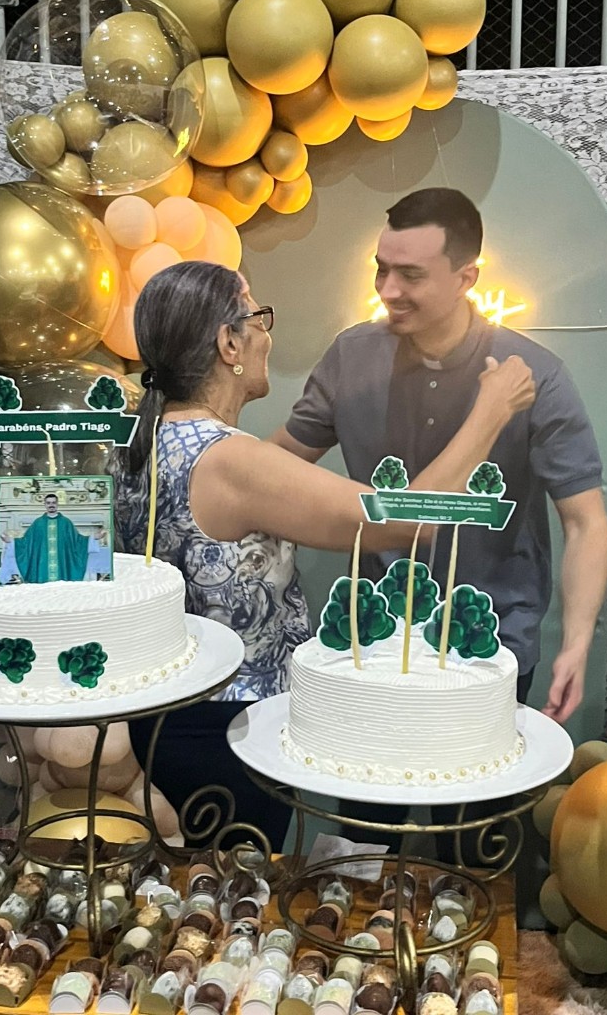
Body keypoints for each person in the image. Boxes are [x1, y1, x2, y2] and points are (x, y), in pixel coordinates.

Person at [113, 259, 536, 852]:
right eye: (258, 317)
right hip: (227, 730)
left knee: (200, 889)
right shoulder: (229, 459)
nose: (267, 334)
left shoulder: (143, 442)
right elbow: (403, 522)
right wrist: (491, 411)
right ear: (228, 342)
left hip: (167, 719)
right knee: (236, 888)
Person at [272, 187, 607, 722]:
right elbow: (278, 466)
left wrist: (577, 641)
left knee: (474, 777)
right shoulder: (351, 356)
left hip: (490, 639)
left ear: (466, 277)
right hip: (372, 637)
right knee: (368, 776)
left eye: (411, 275)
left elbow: (585, 521)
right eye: (382, 269)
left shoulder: (534, 375)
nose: (389, 290)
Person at [0, 493, 89, 584]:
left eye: (53, 503)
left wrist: (92, 539)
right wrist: (11, 541)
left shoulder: (66, 522)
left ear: (57, 504)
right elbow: (26, 542)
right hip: (43, 564)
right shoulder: (38, 523)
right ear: (45, 504)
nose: (51, 505)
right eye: (48, 503)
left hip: (61, 564)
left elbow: (77, 541)